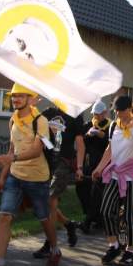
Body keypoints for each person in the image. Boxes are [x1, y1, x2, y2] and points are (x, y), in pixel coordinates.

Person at [0, 84, 58, 266]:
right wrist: (3, 176)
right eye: (13, 96)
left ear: (30, 99)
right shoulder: (12, 120)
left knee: (43, 217)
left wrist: (11, 159)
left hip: (38, 178)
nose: (15, 100)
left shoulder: (41, 121)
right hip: (15, 175)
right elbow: (12, 150)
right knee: (4, 215)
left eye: (20, 96)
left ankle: (55, 250)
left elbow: (38, 150)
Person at [92, 96, 133, 265]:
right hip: (115, 174)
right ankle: (114, 245)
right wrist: (99, 168)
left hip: (132, 175)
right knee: (105, 210)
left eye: (121, 111)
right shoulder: (113, 125)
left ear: (128, 110)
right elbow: (109, 149)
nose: (118, 114)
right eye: (116, 111)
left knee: (131, 215)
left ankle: (130, 252)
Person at [34, 102, 87, 256]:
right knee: (46, 203)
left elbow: (80, 143)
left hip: (64, 162)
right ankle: (68, 224)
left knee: (50, 200)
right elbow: (35, 131)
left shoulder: (75, 115)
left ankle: (50, 244)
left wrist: (79, 167)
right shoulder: (47, 112)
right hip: (46, 162)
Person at [77, 101, 110, 234]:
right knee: (81, 187)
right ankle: (93, 216)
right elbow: (81, 142)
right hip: (89, 163)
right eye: (94, 114)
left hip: (103, 164)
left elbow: (113, 143)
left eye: (99, 114)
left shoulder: (110, 126)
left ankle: (89, 221)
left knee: (97, 192)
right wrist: (87, 135)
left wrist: (103, 136)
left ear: (105, 113)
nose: (96, 116)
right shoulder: (88, 125)